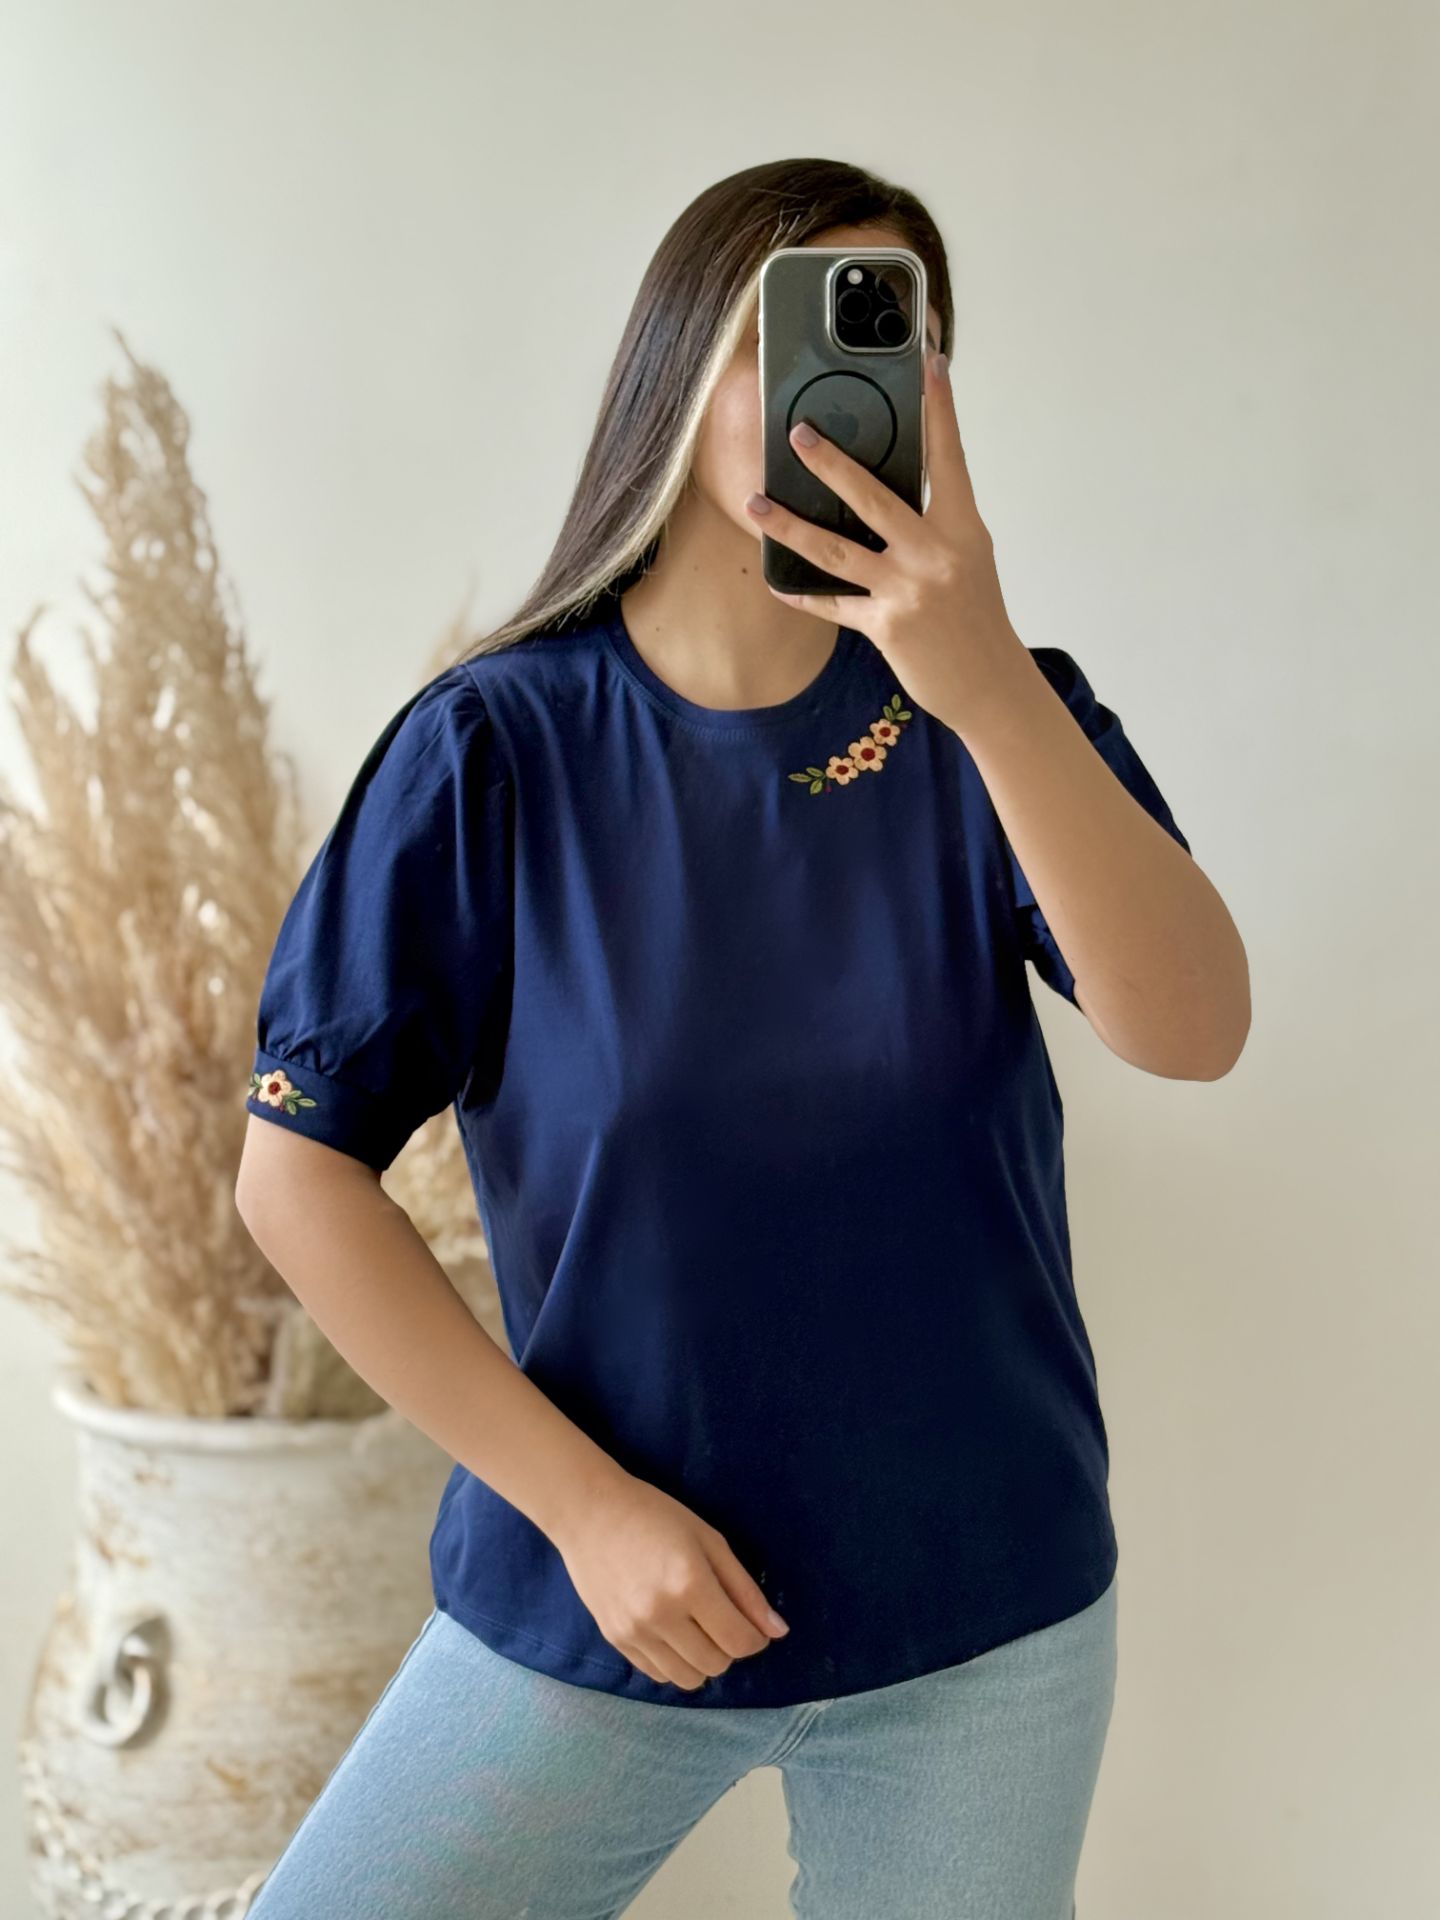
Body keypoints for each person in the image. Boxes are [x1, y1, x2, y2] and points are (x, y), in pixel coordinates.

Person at [235, 157, 1249, 1919]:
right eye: (797, 332)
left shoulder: (997, 722)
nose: (845, 386)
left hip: (983, 1622)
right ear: (680, 365)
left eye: (898, 339)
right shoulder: (495, 752)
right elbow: (296, 1179)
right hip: (614, 1604)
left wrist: (986, 683)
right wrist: (585, 1511)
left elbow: (1194, 1031)